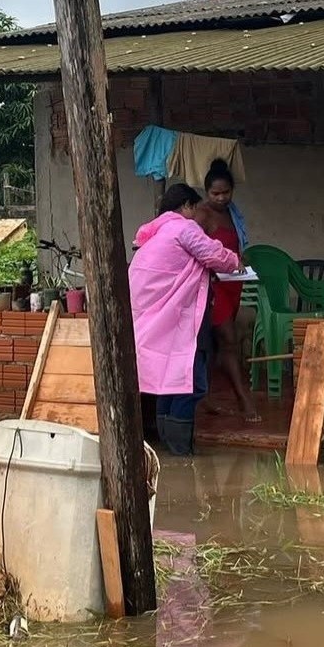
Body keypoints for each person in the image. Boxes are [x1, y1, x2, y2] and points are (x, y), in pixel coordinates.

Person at [129, 183, 242, 455]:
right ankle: (181, 450)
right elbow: (215, 255)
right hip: (179, 319)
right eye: (196, 208)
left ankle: (168, 448)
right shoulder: (183, 228)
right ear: (187, 207)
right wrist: (235, 260)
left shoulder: (152, 233)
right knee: (191, 381)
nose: (198, 215)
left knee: (167, 380)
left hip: (154, 320)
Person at [203, 158, 260, 422]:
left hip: (233, 283)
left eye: (226, 192)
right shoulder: (202, 214)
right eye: (216, 193)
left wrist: (240, 260)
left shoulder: (232, 213)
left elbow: (234, 249)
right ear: (206, 192)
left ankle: (207, 397)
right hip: (213, 286)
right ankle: (243, 399)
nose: (221, 198)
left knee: (218, 345)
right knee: (228, 340)